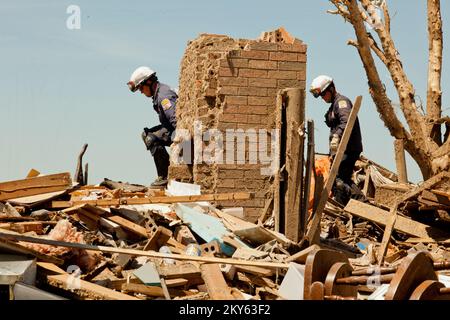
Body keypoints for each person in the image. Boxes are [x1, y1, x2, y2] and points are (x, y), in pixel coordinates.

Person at [310, 75, 364, 206]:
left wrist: (337, 136)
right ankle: (354, 206)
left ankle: (360, 204)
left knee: (340, 180)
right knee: (338, 180)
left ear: (331, 89)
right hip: (341, 150)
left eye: (324, 95)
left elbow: (346, 121)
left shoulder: (341, 103)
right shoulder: (333, 106)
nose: (323, 98)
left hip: (348, 149)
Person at [127, 66, 178, 186]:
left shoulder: (163, 96)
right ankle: (166, 172)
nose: (141, 91)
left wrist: (181, 151)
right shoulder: (159, 93)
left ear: (149, 82)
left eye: (141, 88)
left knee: (151, 138)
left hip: (180, 132)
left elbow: (176, 121)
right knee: (146, 134)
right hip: (171, 128)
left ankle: (166, 176)